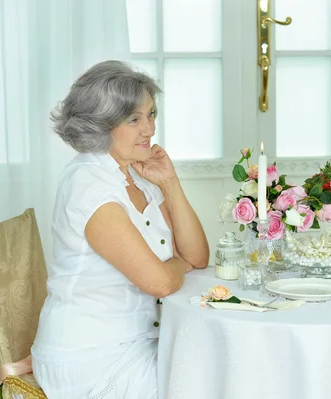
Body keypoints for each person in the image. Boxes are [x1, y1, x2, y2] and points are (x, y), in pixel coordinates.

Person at [31, 60, 209, 398]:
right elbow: (158, 282)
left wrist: (170, 182)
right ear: (101, 125)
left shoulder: (137, 175)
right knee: (207, 382)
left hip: (138, 339)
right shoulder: (88, 182)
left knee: (216, 369)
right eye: (134, 119)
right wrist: (176, 265)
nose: (150, 130)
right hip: (89, 355)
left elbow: (197, 256)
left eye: (151, 114)